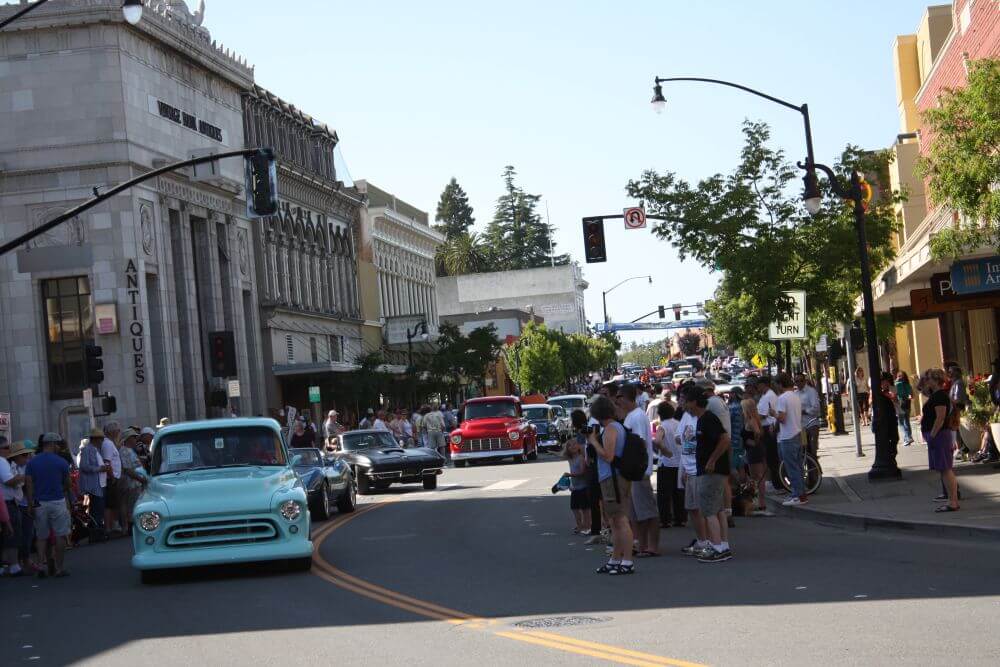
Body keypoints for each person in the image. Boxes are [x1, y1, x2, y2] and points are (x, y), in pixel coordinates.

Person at [686, 386, 733, 563]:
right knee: (718, 509)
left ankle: (717, 547)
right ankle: (722, 544)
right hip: (710, 471)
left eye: (687, 401)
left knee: (709, 510)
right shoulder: (702, 420)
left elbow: (725, 439)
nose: (685, 405)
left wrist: (712, 460)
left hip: (711, 472)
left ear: (694, 402)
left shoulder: (708, 419)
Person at [589, 395, 634, 575]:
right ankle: (615, 559)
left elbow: (608, 456)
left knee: (620, 519)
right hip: (612, 477)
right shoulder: (615, 427)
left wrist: (593, 442)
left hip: (613, 479)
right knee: (614, 521)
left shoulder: (611, 429)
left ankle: (627, 560)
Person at [618, 384, 659, 558]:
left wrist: (637, 467)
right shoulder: (631, 416)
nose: (617, 401)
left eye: (619, 397)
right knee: (636, 513)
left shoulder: (636, 417)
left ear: (625, 398)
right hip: (633, 472)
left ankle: (652, 546)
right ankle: (641, 545)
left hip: (639, 471)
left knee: (648, 511)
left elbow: (639, 443)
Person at [24, 433, 72, 578]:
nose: (58, 447)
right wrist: (60, 489)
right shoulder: (61, 462)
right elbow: (68, 483)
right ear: (51, 444)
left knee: (41, 536)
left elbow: (29, 483)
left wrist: (31, 502)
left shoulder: (32, 462)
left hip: (39, 502)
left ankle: (41, 565)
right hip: (57, 500)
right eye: (57, 444)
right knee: (60, 535)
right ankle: (59, 568)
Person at [677, 384, 710, 557]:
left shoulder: (703, 418)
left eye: (685, 400)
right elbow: (679, 438)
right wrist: (683, 468)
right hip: (688, 468)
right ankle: (701, 540)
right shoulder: (685, 417)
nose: (682, 404)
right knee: (691, 507)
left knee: (703, 508)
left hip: (700, 469)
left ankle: (710, 541)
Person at [922, 368, 959, 512]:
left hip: (939, 436)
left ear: (936, 380)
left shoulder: (940, 396)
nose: (928, 381)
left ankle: (953, 502)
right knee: (944, 469)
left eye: (930, 378)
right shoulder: (937, 395)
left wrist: (932, 435)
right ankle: (952, 500)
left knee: (946, 469)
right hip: (939, 436)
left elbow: (940, 417)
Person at [775, 373, 806, 506]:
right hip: (797, 433)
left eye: (777, 384)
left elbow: (782, 418)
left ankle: (797, 495)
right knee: (798, 467)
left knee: (791, 468)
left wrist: (773, 414)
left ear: (780, 384)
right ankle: (801, 493)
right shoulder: (795, 396)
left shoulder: (782, 398)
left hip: (787, 436)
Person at [653, 401, 684, 528]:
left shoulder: (663, 426)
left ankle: (665, 519)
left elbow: (657, 440)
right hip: (679, 462)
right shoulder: (678, 424)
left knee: (664, 494)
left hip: (666, 463)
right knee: (678, 492)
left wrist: (665, 451)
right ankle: (680, 518)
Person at [741, 394, 772, 516]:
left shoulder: (751, 420)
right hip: (754, 449)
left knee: (757, 477)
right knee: (758, 477)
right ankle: (760, 502)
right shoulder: (753, 419)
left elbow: (758, 432)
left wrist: (754, 441)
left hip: (753, 450)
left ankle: (760, 502)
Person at [78, 428, 110, 542]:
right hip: (95, 485)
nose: (102, 441)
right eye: (101, 438)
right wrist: (100, 468)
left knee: (99, 509)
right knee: (96, 509)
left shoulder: (96, 450)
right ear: (96, 439)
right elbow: (84, 466)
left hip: (100, 484)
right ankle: (95, 534)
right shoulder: (87, 450)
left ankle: (97, 533)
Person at [1, 437, 26, 577]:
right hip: (7, 503)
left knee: (8, 534)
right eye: (6, 447)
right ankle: (14, 565)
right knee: (12, 533)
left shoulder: (6, 462)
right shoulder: (2, 461)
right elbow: (9, 481)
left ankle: (7, 564)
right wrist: (23, 477)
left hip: (9, 502)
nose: (8, 450)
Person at [117, 428, 147, 536]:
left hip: (134, 482)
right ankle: (128, 527)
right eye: (133, 437)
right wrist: (142, 479)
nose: (135, 439)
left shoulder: (129, 451)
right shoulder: (124, 451)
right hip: (130, 483)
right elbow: (128, 469)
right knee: (130, 505)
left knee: (131, 505)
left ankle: (130, 526)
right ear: (128, 439)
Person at [756, 376, 782, 489]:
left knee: (772, 458)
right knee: (770, 458)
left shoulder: (769, 396)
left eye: (759, 385)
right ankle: (775, 482)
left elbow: (762, 414)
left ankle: (778, 484)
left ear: (764, 384)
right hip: (767, 428)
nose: (758, 387)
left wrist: (751, 417)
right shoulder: (765, 396)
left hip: (770, 428)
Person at [564, 430, 590, 534]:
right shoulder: (570, 459)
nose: (573, 446)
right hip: (575, 487)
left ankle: (587, 526)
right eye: (570, 445)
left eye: (575, 444)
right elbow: (560, 454)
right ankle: (579, 525)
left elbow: (582, 472)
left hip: (583, 487)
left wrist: (570, 475)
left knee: (585, 509)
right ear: (568, 449)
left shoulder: (581, 458)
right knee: (574, 508)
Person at [101, 422, 123, 535]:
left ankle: (112, 525)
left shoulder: (110, 443)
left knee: (113, 503)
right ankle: (109, 527)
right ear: (113, 431)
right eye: (118, 430)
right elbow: (107, 462)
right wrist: (112, 477)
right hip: (111, 478)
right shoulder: (108, 444)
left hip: (113, 477)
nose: (119, 433)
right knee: (110, 504)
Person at [795, 373, 821, 461]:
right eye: (796, 381)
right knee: (804, 451)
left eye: (801, 381)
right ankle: (809, 472)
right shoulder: (795, 394)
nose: (799, 383)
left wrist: (805, 411)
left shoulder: (811, 391)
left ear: (805, 381)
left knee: (812, 451)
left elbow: (816, 408)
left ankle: (815, 473)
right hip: (802, 427)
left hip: (812, 425)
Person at [875, 372, 901, 462]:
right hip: (882, 419)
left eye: (885, 381)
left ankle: (892, 455)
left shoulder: (892, 389)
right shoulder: (876, 391)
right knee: (884, 439)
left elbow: (897, 402)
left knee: (895, 438)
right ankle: (889, 457)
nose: (884, 384)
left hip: (892, 417)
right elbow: (871, 402)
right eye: (882, 382)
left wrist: (892, 397)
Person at [948, 365, 971, 461]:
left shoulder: (958, 383)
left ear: (956, 372)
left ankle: (962, 449)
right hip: (956, 408)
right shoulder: (955, 383)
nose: (949, 373)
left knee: (958, 429)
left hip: (958, 408)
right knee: (957, 429)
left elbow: (958, 398)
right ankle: (960, 449)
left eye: (951, 371)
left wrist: (949, 401)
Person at [895, 371, 915, 446]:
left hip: (900, 404)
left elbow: (894, 394)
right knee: (907, 421)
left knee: (900, 422)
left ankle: (908, 437)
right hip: (907, 404)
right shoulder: (908, 385)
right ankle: (908, 438)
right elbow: (912, 395)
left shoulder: (896, 384)